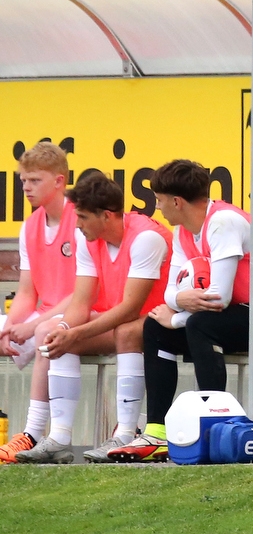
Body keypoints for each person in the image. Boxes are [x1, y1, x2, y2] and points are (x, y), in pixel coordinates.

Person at [16, 172, 172, 464]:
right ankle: (58, 438)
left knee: (124, 331)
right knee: (56, 336)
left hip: (161, 321)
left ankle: (125, 434)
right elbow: (81, 301)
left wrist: (76, 332)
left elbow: (130, 308)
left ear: (108, 216)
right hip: (123, 320)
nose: (77, 224)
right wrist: (64, 328)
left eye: (84, 217)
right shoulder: (86, 236)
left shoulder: (146, 238)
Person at [106, 160, 251, 463]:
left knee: (197, 324)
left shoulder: (223, 221)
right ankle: (157, 432)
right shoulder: (182, 230)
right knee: (155, 328)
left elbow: (219, 299)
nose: (157, 208)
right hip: (222, 316)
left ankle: (214, 425)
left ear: (177, 201)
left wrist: (177, 317)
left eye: (159, 200)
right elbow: (171, 293)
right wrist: (177, 309)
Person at [0, 142, 78, 463]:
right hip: (46, 314)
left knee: (45, 331)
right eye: (23, 181)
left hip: (82, 313)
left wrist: (29, 325)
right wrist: (8, 328)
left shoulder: (80, 218)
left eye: (34, 180)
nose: (26, 188)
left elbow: (85, 293)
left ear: (59, 181)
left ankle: (31, 433)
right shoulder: (30, 225)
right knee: (29, 328)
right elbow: (27, 292)